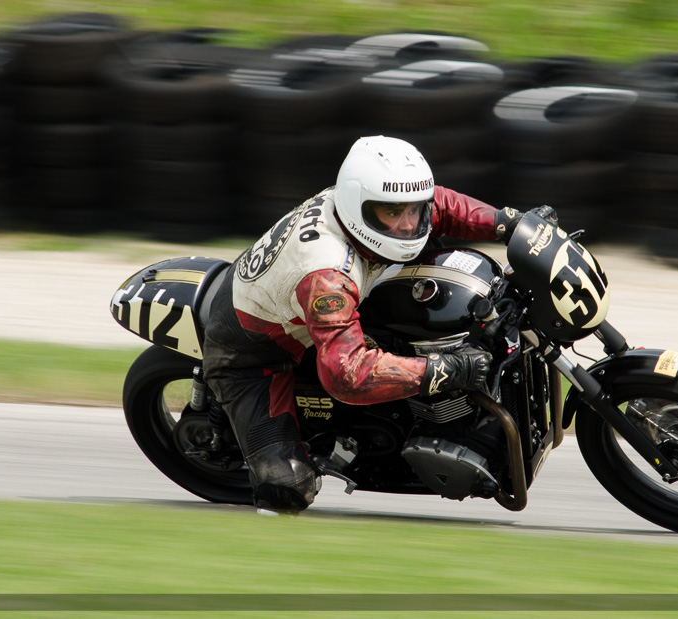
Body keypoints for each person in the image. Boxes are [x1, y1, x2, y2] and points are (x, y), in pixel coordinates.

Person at [200, 135, 550, 514]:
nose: (407, 224)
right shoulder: (327, 277)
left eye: (413, 211)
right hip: (253, 349)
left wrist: (506, 223)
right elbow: (346, 375)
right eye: (392, 214)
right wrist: (443, 369)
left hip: (319, 300)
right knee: (287, 491)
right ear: (360, 208)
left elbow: (441, 205)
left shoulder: (378, 207)